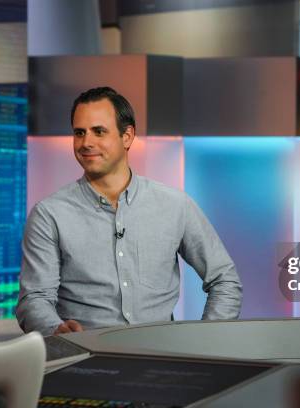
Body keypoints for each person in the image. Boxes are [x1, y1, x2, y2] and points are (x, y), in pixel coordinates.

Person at [16, 87, 242, 335]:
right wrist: (55, 330)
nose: (86, 142)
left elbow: (225, 281)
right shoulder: (49, 214)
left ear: (127, 136)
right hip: (84, 361)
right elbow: (34, 299)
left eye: (98, 131)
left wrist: (205, 341)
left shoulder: (175, 205)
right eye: (79, 133)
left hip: (164, 360)